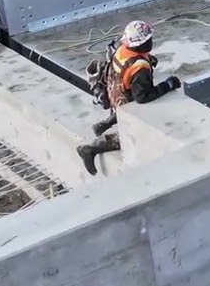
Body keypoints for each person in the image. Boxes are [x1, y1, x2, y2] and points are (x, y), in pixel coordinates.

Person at [77, 20, 181, 176]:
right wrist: (168, 85)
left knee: (123, 107)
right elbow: (143, 97)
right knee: (131, 136)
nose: (151, 42)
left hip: (115, 95)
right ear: (140, 45)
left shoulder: (123, 50)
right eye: (148, 40)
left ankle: (105, 123)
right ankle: (92, 148)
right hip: (126, 102)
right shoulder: (140, 68)